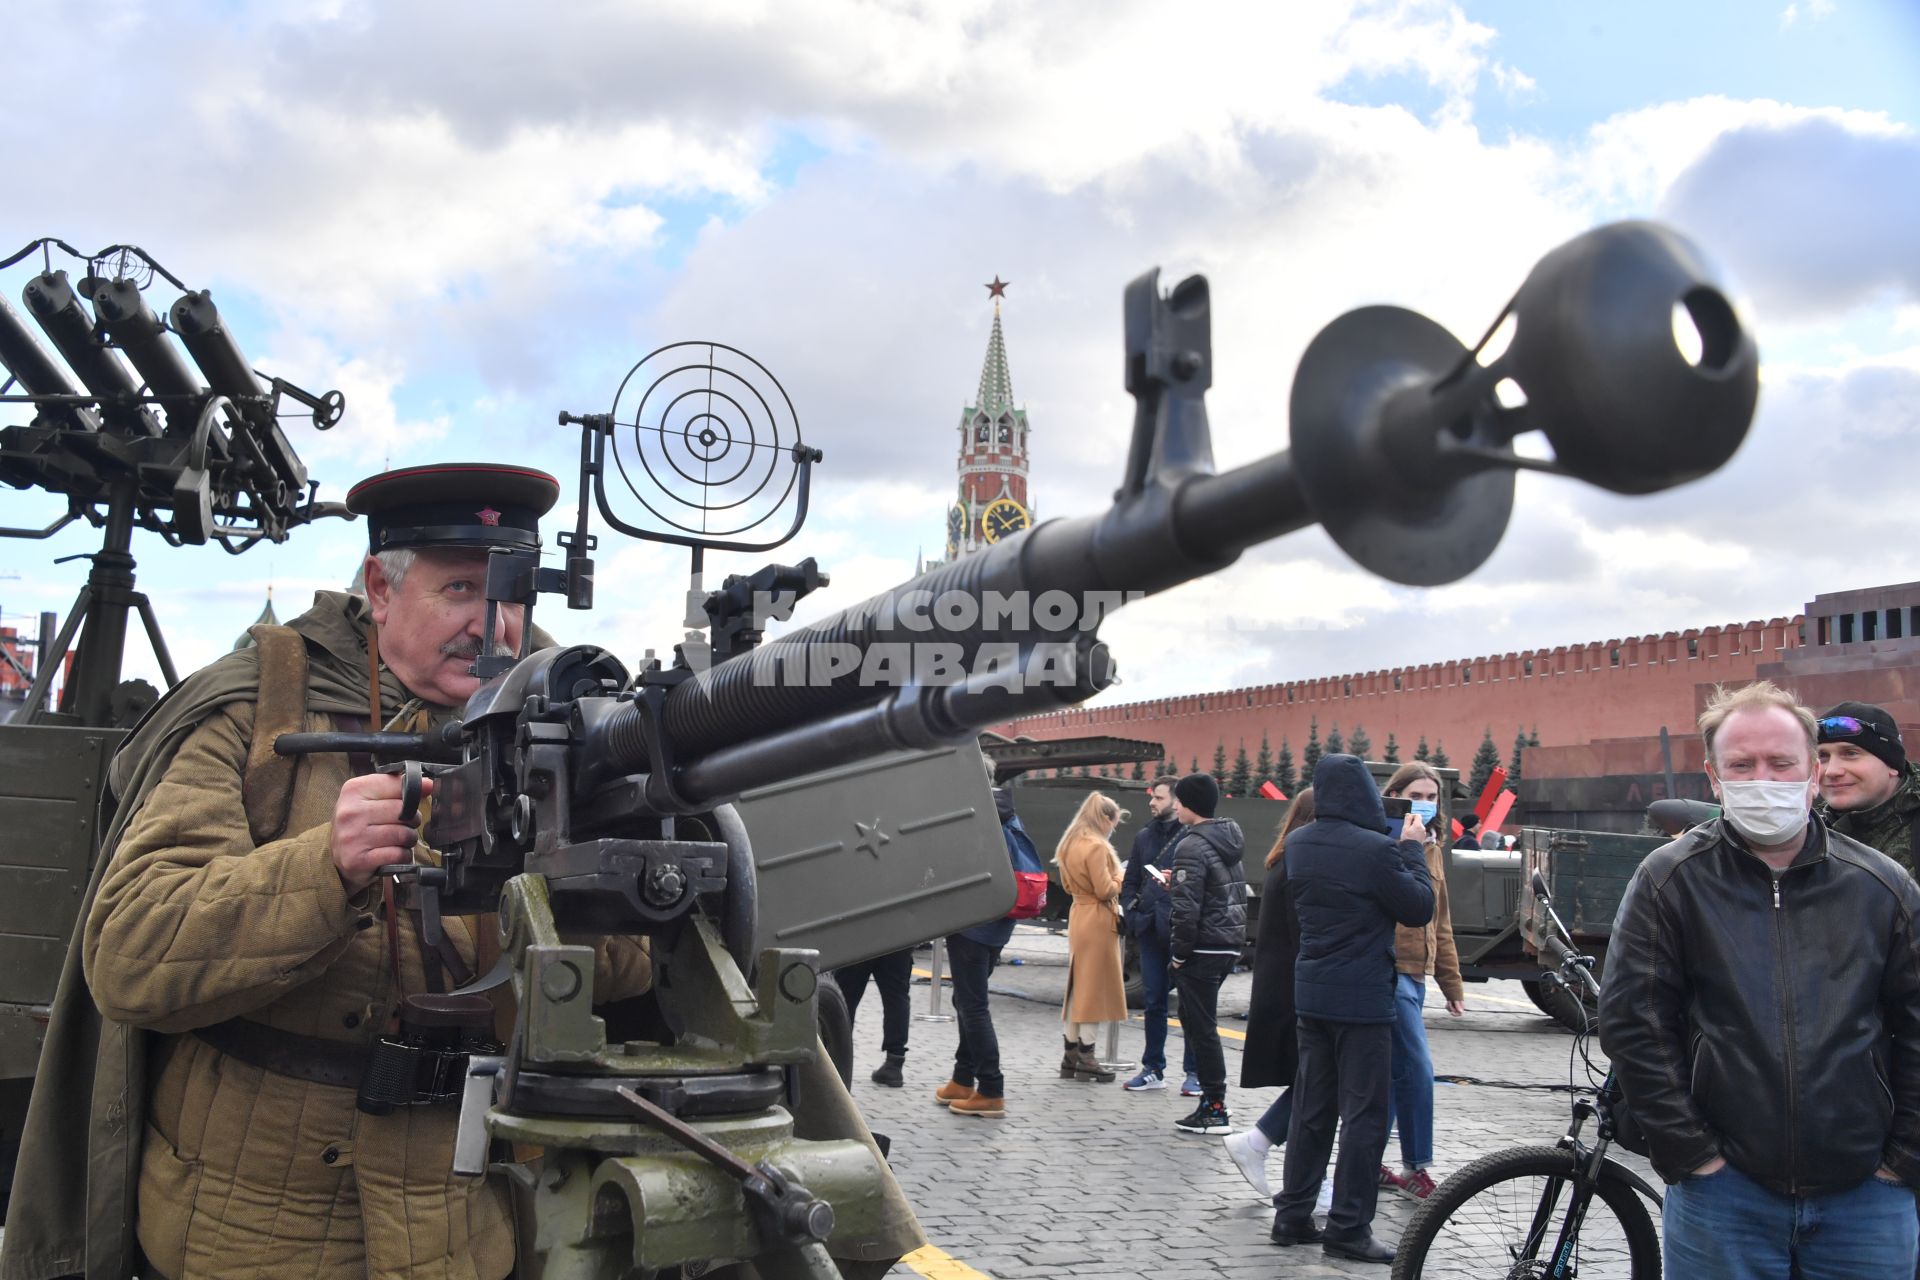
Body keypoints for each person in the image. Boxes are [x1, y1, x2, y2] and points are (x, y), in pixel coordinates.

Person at [5, 464, 924, 1280]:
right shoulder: (257, 716)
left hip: (469, 1218)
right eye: (457, 590)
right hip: (255, 1223)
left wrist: (598, 881)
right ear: (379, 584)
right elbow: (130, 951)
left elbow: (639, 982)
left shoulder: (573, 729)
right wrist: (323, 866)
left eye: (512, 595)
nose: (495, 624)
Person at [1600, 681, 1920, 1278]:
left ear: (1812, 772)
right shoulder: (1671, 879)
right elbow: (1633, 1021)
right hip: (1726, 1196)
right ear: (1714, 778)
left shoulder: (1883, 887)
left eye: (1781, 763)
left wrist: (1904, 1159)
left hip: (1866, 1197)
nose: (1763, 779)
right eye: (1741, 766)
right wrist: (1690, 1154)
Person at [1270, 753, 1434, 1265]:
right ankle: (1348, 1227)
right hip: (1362, 999)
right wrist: (1411, 851)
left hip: (1313, 993)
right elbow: (1417, 908)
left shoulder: (1300, 842)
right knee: (1365, 1115)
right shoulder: (1376, 850)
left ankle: (1292, 1214)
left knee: (1311, 1110)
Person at [1378, 762, 1466, 1201]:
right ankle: (1416, 1167)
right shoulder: (1387, 840)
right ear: (1395, 795)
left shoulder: (1431, 846)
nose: (1427, 804)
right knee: (1417, 1070)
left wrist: (1452, 984)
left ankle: (1371, 1160)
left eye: (1433, 797)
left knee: (1396, 1074)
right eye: (1417, 795)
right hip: (1390, 970)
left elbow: (1441, 921)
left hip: (1417, 976)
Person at [1223, 787, 1314, 1200]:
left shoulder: (1285, 857)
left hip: (1284, 986)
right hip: (1297, 990)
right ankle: (1265, 1147)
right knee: (1317, 1082)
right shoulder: (1301, 862)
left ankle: (1260, 1144)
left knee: (1315, 1081)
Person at [937, 760, 1036, 1118]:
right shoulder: (1005, 808)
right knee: (965, 999)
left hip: (973, 922)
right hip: (995, 922)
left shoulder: (978, 812)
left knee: (973, 1005)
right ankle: (963, 1079)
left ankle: (991, 1088)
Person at [1165, 772, 1248, 1136]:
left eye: (1179, 801)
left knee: (1201, 1028)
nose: (1175, 807)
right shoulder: (1226, 839)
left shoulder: (1191, 845)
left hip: (1201, 947)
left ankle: (1215, 1106)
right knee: (1201, 1023)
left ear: (1190, 805)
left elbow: (1187, 912)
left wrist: (1179, 954)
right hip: (1225, 943)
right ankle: (1212, 1103)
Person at [1118, 778, 1196, 1091]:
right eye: (1153, 797)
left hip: (1181, 930)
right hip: (1150, 929)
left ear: (1176, 802)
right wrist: (1133, 913)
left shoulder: (1192, 837)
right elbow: (1131, 880)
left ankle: (1194, 1073)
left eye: (1159, 797)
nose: (1152, 802)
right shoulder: (1144, 836)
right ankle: (1153, 1068)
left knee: (1191, 1005)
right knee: (1154, 1001)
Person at [1055, 792, 1130, 1083]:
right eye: (1115, 822)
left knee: (1078, 986)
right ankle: (1087, 1056)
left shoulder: (1070, 842)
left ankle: (1070, 1055)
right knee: (1094, 989)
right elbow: (1105, 889)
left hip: (1078, 913)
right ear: (1106, 819)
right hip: (1098, 918)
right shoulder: (1097, 846)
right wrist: (1122, 875)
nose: (1114, 828)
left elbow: (1065, 883)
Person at [1816, 699, 1920, 879]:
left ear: (1892, 764)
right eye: (1823, 756)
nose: (1832, 771)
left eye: (1851, 754)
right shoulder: (1808, 833)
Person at [833, 946, 916, 1087]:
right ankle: (894, 1062)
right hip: (899, 936)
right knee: (896, 998)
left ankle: (837, 1060)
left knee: (845, 998)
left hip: (858, 937)